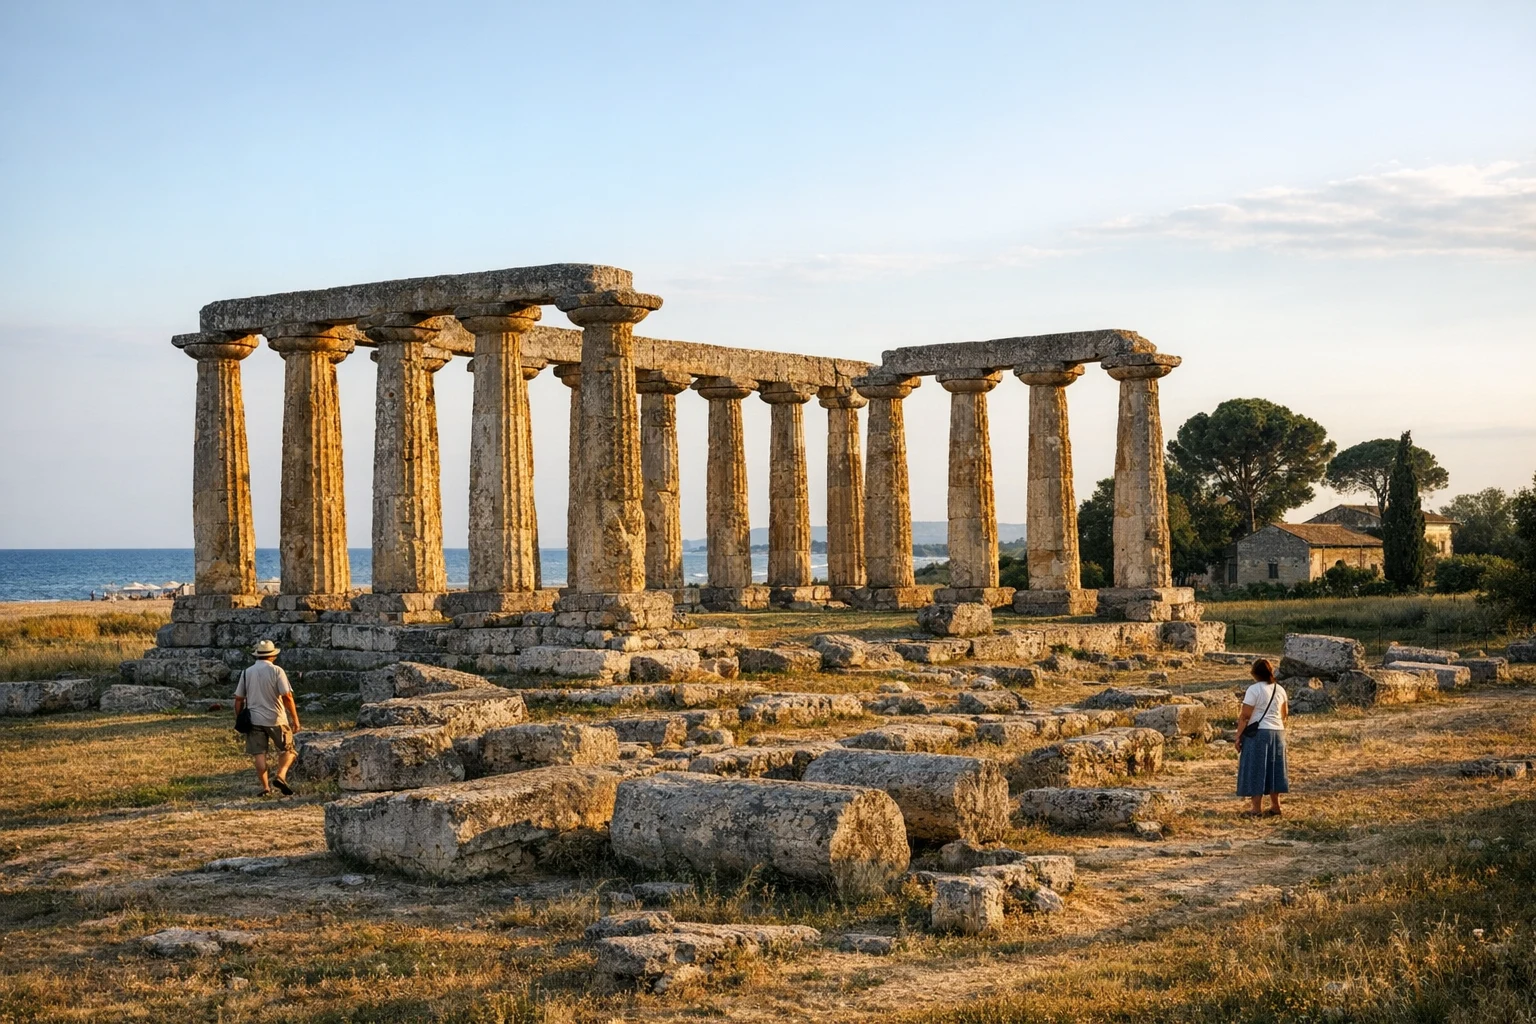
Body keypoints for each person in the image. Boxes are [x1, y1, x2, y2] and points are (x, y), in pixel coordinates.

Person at [233, 640, 301, 796]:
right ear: (273, 656)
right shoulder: (277, 671)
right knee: (288, 750)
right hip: (276, 719)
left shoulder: (246, 672)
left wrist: (239, 718)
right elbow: (287, 696)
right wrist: (295, 719)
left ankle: (265, 787)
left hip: (254, 719)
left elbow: (238, 699)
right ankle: (281, 775)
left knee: (259, 754)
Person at [1235, 657, 1289, 817]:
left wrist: (1238, 736)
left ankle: (1256, 808)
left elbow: (1245, 716)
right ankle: (1275, 806)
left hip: (1259, 733)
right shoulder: (1280, 689)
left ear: (1255, 674)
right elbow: (1284, 714)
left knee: (1255, 768)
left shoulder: (1254, 689)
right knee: (1275, 769)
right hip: (1278, 732)